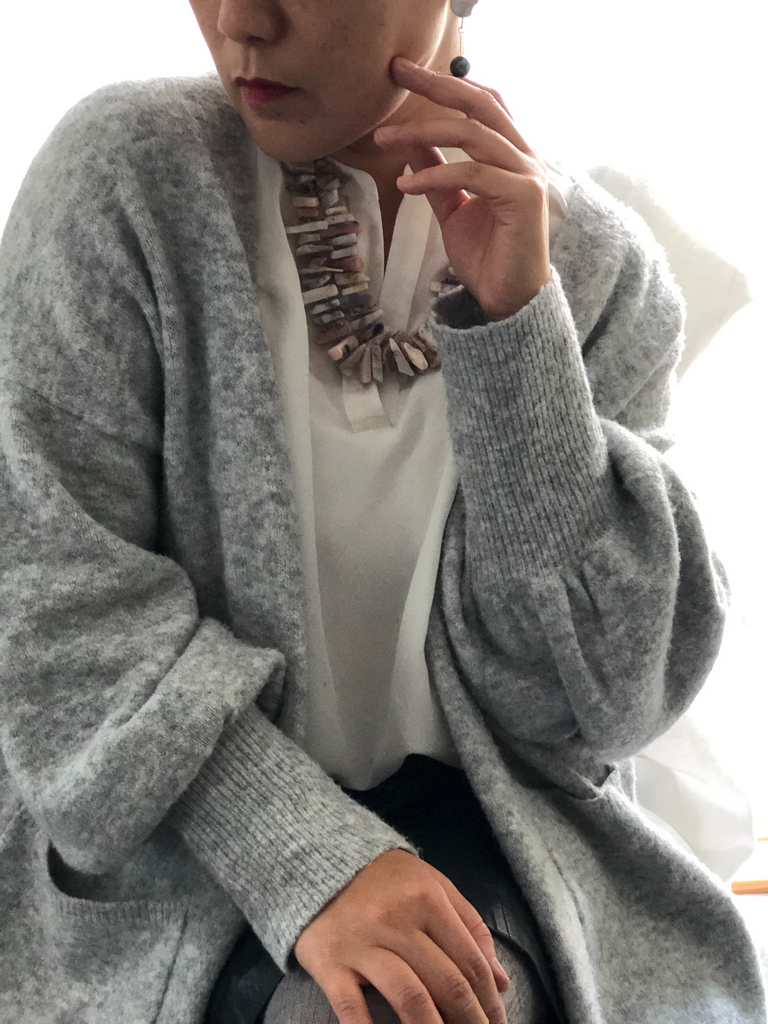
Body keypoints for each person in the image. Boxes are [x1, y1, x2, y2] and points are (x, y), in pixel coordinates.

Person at [0, 0, 766, 1021]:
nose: (241, 20)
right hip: (177, 856)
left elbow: (605, 703)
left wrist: (518, 338)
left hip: (497, 855)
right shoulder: (123, 181)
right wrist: (305, 854)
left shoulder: (596, 270)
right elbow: (53, 611)